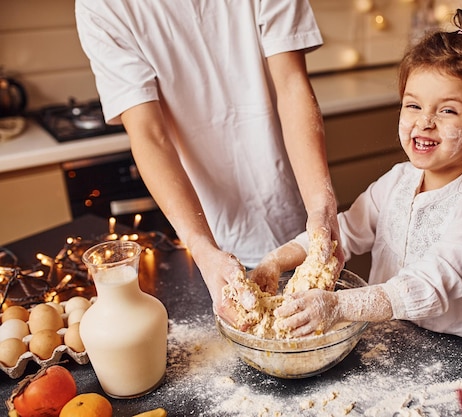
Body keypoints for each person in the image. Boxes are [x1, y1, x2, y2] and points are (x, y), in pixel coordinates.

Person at [250, 9, 462, 355]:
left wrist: (338, 306)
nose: (424, 121)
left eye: (447, 111)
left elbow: (429, 286)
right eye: (413, 105)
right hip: (402, 346)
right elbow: (344, 231)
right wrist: (276, 261)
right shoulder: (399, 180)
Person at [74, 1, 342, 323]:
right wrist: (203, 249)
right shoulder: (102, 6)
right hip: (207, 238)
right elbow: (149, 134)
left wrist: (320, 205)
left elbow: (292, 85)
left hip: (299, 216)